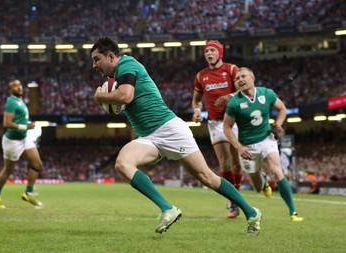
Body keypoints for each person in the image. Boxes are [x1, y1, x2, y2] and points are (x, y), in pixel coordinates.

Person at [92, 37, 262, 235]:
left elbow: (126, 96)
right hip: (148, 137)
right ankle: (168, 209)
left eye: (96, 59)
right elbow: (121, 103)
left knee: (207, 177)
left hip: (170, 130)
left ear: (111, 56)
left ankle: (251, 212)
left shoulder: (126, 64)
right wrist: (108, 101)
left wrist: (100, 97)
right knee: (123, 163)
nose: (94, 65)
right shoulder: (116, 76)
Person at [223, 67, 303, 221]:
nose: (240, 80)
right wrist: (239, 147)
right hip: (247, 146)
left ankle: (293, 212)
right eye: (237, 79)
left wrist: (278, 124)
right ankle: (264, 182)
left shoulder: (267, 93)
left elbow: (282, 109)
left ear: (252, 78)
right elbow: (226, 128)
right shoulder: (234, 102)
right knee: (258, 187)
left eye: (243, 77)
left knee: (276, 171)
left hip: (267, 139)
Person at [192, 40, 243, 218]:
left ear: (220, 52)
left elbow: (242, 89)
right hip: (214, 123)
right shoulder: (201, 76)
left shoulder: (231, 70)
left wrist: (231, 95)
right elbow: (196, 99)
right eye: (207, 51)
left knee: (237, 163)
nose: (209, 54)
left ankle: (237, 195)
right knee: (225, 163)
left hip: (233, 120)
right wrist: (197, 110)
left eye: (213, 50)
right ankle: (233, 202)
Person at [0, 79, 43, 209]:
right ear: (10, 89)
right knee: (8, 171)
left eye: (19, 85)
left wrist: (28, 128)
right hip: (12, 141)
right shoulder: (11, 103)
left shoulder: (20, 101)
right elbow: (7, 124)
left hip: (24, 139)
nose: (19, 87)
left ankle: (28, 193)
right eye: (15, 85)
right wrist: (26, 127)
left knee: (37, 165)